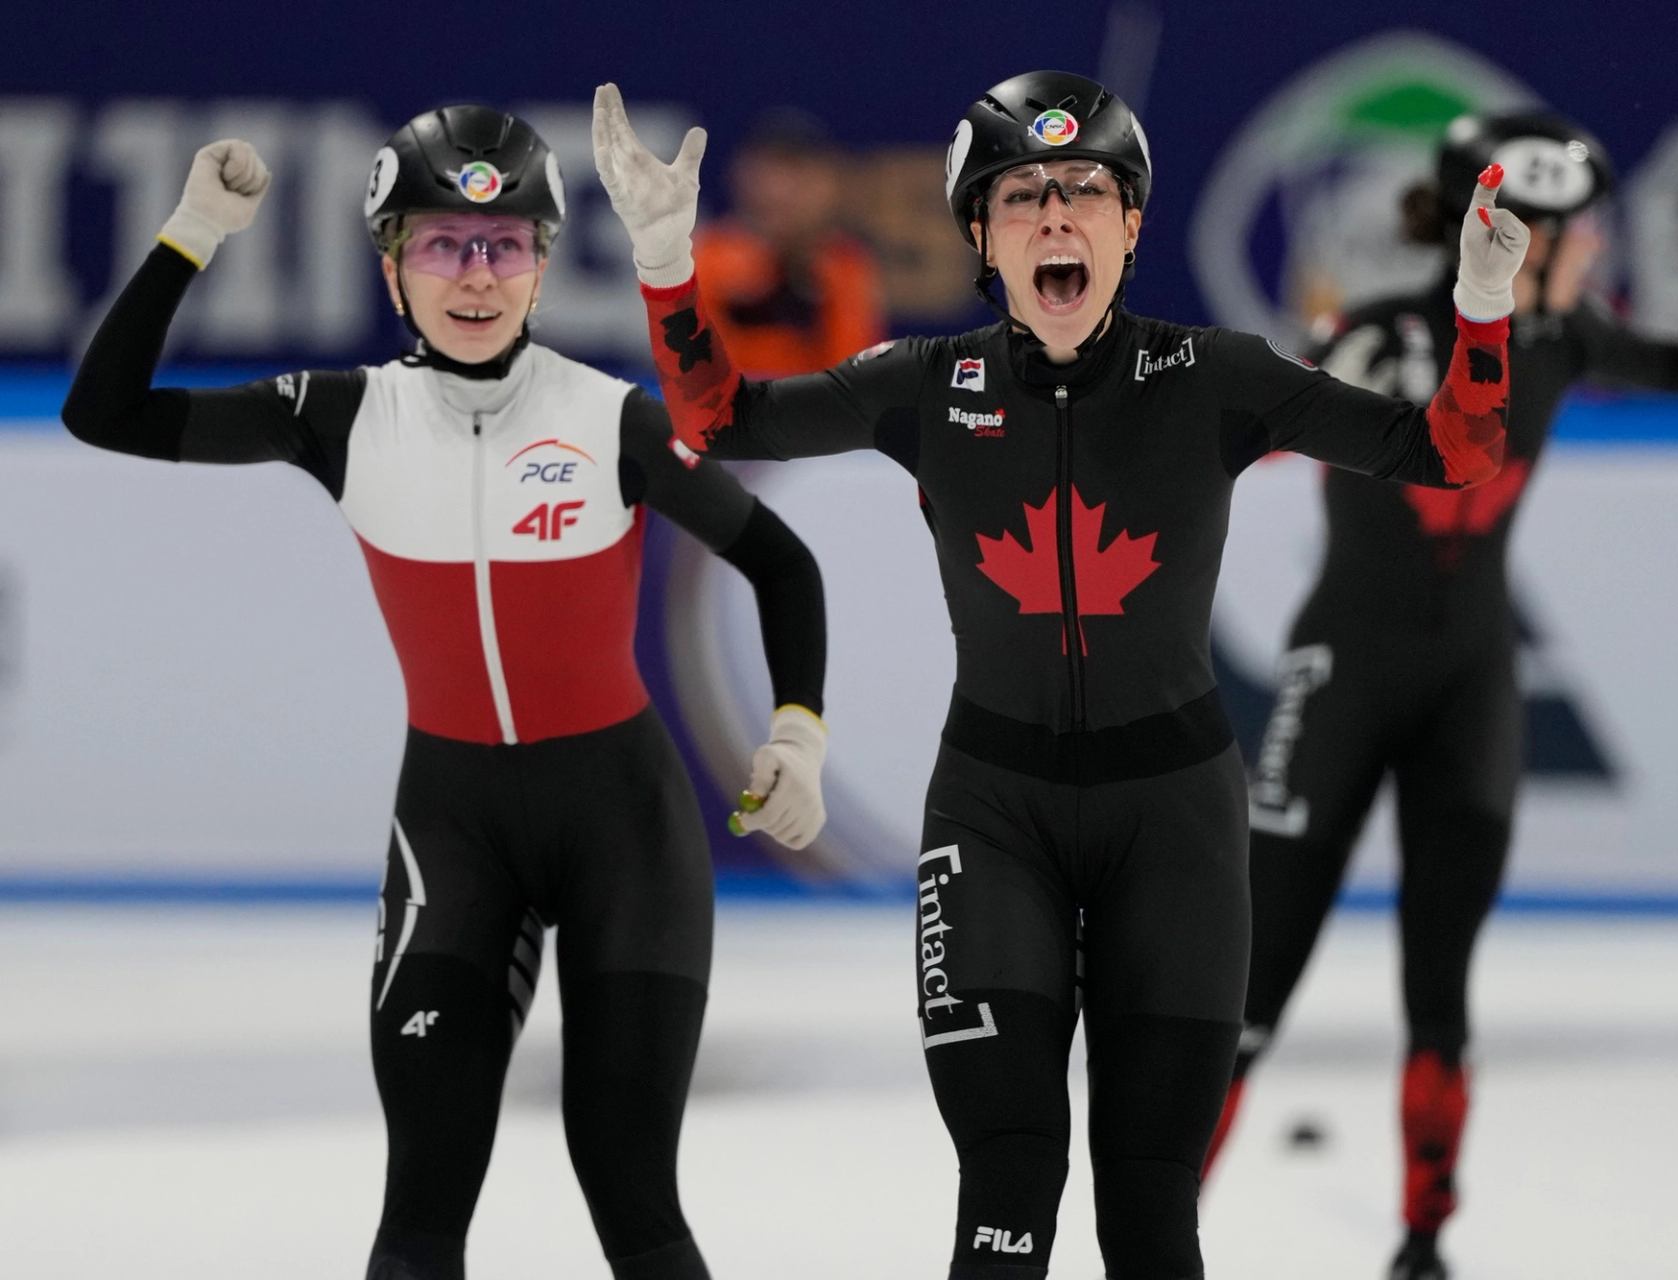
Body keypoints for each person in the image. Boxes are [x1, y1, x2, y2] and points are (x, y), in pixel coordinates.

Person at [592, 70, 1528, 1278]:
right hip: (995, 814)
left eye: (1085, 189)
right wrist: (668, 259)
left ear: (1132, 226)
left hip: (1178, 822)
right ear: (978, 235)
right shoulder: (924, 387)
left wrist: (1484, 305)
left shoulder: (1219, 376)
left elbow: (1452, 454)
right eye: (1020, 194)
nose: (1054, 216)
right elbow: (719, 421)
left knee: (1149, 1217)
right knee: (1009, 1183)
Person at [61, 105, 833, 1280]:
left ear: (540, 266)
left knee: (629, 1186)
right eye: (440, 245)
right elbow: (102, 413)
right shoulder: (338, 417)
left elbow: (781, 561)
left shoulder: (606, 417)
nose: (475, 276)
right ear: (390, 268)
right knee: (421, 1202)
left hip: (624, 827)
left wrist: (799, 729)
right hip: (452, 831)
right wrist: (191, 234)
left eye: (505, 245)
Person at [1208, 112, 1678, 1280]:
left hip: (1468, 681)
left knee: (1442, 993)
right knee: (1247, 994)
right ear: (1518, 237)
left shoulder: (1564, 337)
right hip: (1341, 675)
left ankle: (1425, 1240)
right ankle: (1152, 1241)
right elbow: (1240, 435)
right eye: (1578, 230)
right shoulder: (1380, 335)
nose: (1595, 249)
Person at [692, 107, 886, 377]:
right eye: (772, 171)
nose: (782, 190)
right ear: (743, 176)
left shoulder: (844, 264)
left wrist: (809, 276)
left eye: (799, 174)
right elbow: (700, 369)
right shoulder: (707, 256)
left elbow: (854, 370)